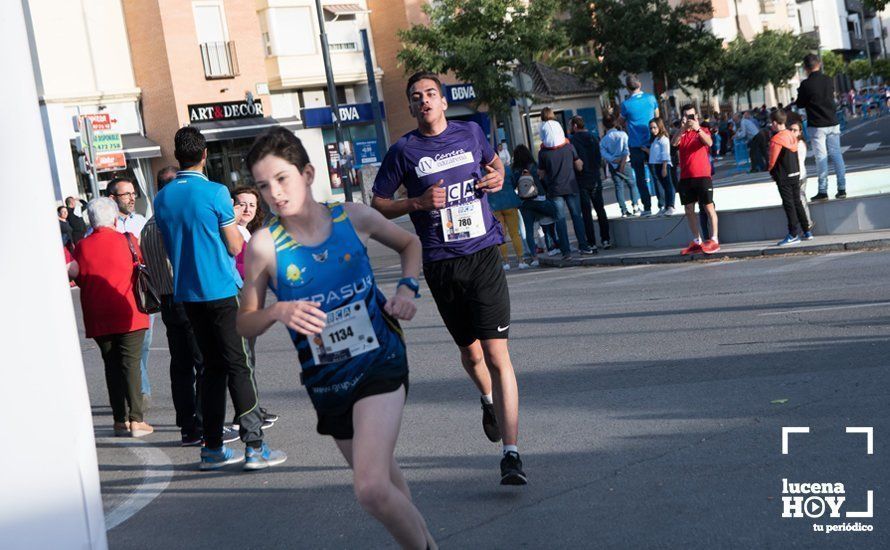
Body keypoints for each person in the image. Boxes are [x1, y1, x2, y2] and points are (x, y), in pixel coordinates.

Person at [238, 127, 436, 549]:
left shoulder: (353, 217)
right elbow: (244, 323)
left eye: (282, 178)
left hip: (380, 362)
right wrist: (277, 310)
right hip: (327, 380)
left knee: (369, 487)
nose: (274, 193)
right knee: (386, 484)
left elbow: (410, 244)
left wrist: (407, 289)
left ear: (308, 173)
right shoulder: (264, 247)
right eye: (262, 185)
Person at [371, 71, 527, 485]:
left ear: (442, 101)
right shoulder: (403, 151)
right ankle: (488, 400)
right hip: (441, 264)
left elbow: (496, 169)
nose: (424, 101)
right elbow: (379, 204)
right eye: (416, 97)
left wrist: (497, 177)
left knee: (497, 356)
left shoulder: (472, 133)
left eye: (430, 94)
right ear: (411, 107)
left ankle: (511, 454)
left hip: (482, 255)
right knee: (472, 355)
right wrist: (417, 202)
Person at [155, 127, 286, 471]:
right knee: (238, 364)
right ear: (204, 154)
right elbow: (233, 245)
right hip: (223, 290)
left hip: (187, 291)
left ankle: (212, 447)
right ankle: (255, 446)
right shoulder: (215, 192)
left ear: (176, 154)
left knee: (211, 369)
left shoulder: (162, 197)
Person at [140, 166, 210, 447]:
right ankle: (203, 422)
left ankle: (187, 425)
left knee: (180, 366)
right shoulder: (173, 222)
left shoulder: (147, 227)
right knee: (202, 362)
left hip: (167, 301)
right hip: (186, 297)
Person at [71, 198, 153, 437]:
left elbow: (78, 276)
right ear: (115, 219)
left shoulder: (82, 246)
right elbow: (142, 264)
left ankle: (119, 419)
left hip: (98, 314)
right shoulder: (127, 240)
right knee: (131, 364)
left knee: (111, 365)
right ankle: (137, 420)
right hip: (129, 312)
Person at [230, 185, 280, 428]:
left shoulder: (248, 231)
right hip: (240, 299)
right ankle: (245, 414)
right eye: (242, 204)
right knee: (244, 359)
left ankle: (252, 408)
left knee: (249, 359)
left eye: (252, 204)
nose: (248, 209)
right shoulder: (233, 231)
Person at [105, 176, 154, 409]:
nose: (132, 198)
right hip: (119, 294)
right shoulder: (105, 225)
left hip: (143, 290)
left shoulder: (141, 222)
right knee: (129, 345)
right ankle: (141, 391)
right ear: (113, 198)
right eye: (127, 194)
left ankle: (134, 383)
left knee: (144, 344)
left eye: (134, 193)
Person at [538, 118, 596, 255]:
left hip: (554, 190)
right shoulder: (569, 147)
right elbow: (579, 165)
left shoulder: (543, 153)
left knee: (560, 220)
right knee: (576, 216)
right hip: (572, 187)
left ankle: (566, 251)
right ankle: (583, 246)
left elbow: (541, 174)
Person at [794, 54, 847, 201]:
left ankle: (823, 190)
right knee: (837, 155)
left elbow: (800, 103)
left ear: (805, 68)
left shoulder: (806, 84)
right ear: (819, 64)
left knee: (821, 157)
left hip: (817, 125)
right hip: (833, 121)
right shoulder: (828, 80)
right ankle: (842, 188)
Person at [672, 104, 720, 255]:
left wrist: (697, 128)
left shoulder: (703, 130)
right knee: (688, 209)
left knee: (708, 207)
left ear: (697, 117)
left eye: (692, 116)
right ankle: (697, 240)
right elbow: (674, 144)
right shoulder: (682, 133)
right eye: (687, 116)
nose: (689, 119)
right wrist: (682, 129)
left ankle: (714, 239)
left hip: (702, 175)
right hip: (686, 177)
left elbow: (709, 143)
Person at [512, 144, 570, 263]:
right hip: (540, 199)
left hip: (525, 203)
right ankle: (561, 245)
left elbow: (514, 186)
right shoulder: (533, 166)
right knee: (557, 216)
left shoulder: (515, 170)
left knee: (529, 230)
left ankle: (534, 257)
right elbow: (543, 179)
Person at [768, 110, 812, 246]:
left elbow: (772, 159)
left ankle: (793, 233)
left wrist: (770, 170)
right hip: (795, 173)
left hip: (783, 175)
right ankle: (806, 230)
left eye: (772, 123)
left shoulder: (777, 139)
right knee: (797, 202)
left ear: (775, 123)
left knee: (789, 205)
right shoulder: (791, 136)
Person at [569, 115, 611, 248]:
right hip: (595, 177)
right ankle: (606, 239)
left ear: (575, 126)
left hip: (582, 179)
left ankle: (591, 242)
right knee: (600, 209)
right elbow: (599, 159)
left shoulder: (573, 140)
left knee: (586, 213)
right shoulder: (594, 137)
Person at [619, 74, 658, 216]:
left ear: (627, 88)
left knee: (640, 177)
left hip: (635, 145)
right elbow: (657, 118)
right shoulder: (651, 98)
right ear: (640, 84)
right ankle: (663, 204)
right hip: (652, 142)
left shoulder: (626, 105)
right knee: (656, 174)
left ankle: (647, 207)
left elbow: (620, 122)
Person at [487, 162, 528, 270]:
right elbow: (514, 183)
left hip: (494, 205)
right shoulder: (507, 169)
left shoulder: (483, 171)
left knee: (501, 235)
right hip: (510, 203)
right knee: (515, 234)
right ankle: (521, 260)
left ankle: (506, 262)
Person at [600, 114, 640, 217]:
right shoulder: (622, 134)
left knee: (619, 187)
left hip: (613, 165)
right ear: (615, 123)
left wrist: (613, 160)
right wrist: (622, 162)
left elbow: (603, 154)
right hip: (625, 162)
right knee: (632, 184)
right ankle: (635, 205)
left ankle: (623, 210)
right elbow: (626, 150)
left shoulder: (604, 140)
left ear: (604, 125)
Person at [645, 117, 674, 216]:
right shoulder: (655, 139)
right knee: (662, 186)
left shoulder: (663, 139)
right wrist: (645, 150)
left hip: (663, 164)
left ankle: (671, 206)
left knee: (668, 185)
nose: (652, 130)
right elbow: (654, 153)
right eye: (651, 128)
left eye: (654, 127)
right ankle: (665, 206)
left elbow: (665, 153)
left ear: (660, 127)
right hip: (656, 165)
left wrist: (664, 167)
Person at [787, 114, 811, 226]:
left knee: (800, 200)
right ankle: (805, 224)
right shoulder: (792, 143)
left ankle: (807, 223)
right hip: (797, 175)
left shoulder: (799, 144)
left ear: (800, 132)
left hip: (799, 176)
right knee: (799, 200)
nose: (792, 132)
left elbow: (797, 161)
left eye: (795, 130)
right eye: (790, 129)